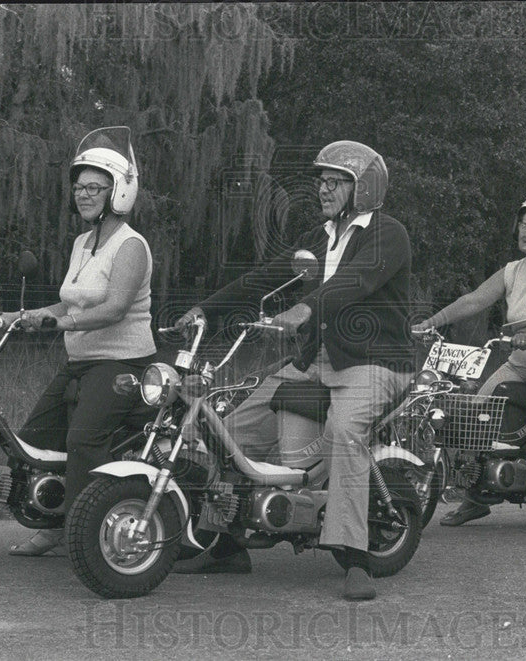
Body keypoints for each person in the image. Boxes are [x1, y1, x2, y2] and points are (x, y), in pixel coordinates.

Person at [171, 141, 415, 600]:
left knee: (345, 431)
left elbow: (354, 281)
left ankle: (355, 556)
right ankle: (227, 544)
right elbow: (264, 277)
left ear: (363, 188)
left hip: (377, 361)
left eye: (335, 181)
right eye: (320, 180)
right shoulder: (321, 237)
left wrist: (305, 308)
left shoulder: (388, 234)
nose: (323, 188)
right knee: (229, 429)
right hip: (317, 362)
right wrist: (205, 309)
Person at [0, 127, 157, 556]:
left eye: (94, 187)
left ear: (119, 191)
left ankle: (85, 539)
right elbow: (64, 304)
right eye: (79, 187)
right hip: (80, 363)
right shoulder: (82, 242)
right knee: (33, 438)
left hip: (123, 366)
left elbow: (113, 309)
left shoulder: (131, 246)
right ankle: (54, 525)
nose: (83, 194)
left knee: (82, 443)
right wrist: (14, 317)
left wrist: (62, 325)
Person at [413, 194, 526, 534]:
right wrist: (431, 322)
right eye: (525, 226)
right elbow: (476, 299)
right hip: (520, 361)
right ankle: (476, 497)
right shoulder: (513, 270)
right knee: (472, 418)